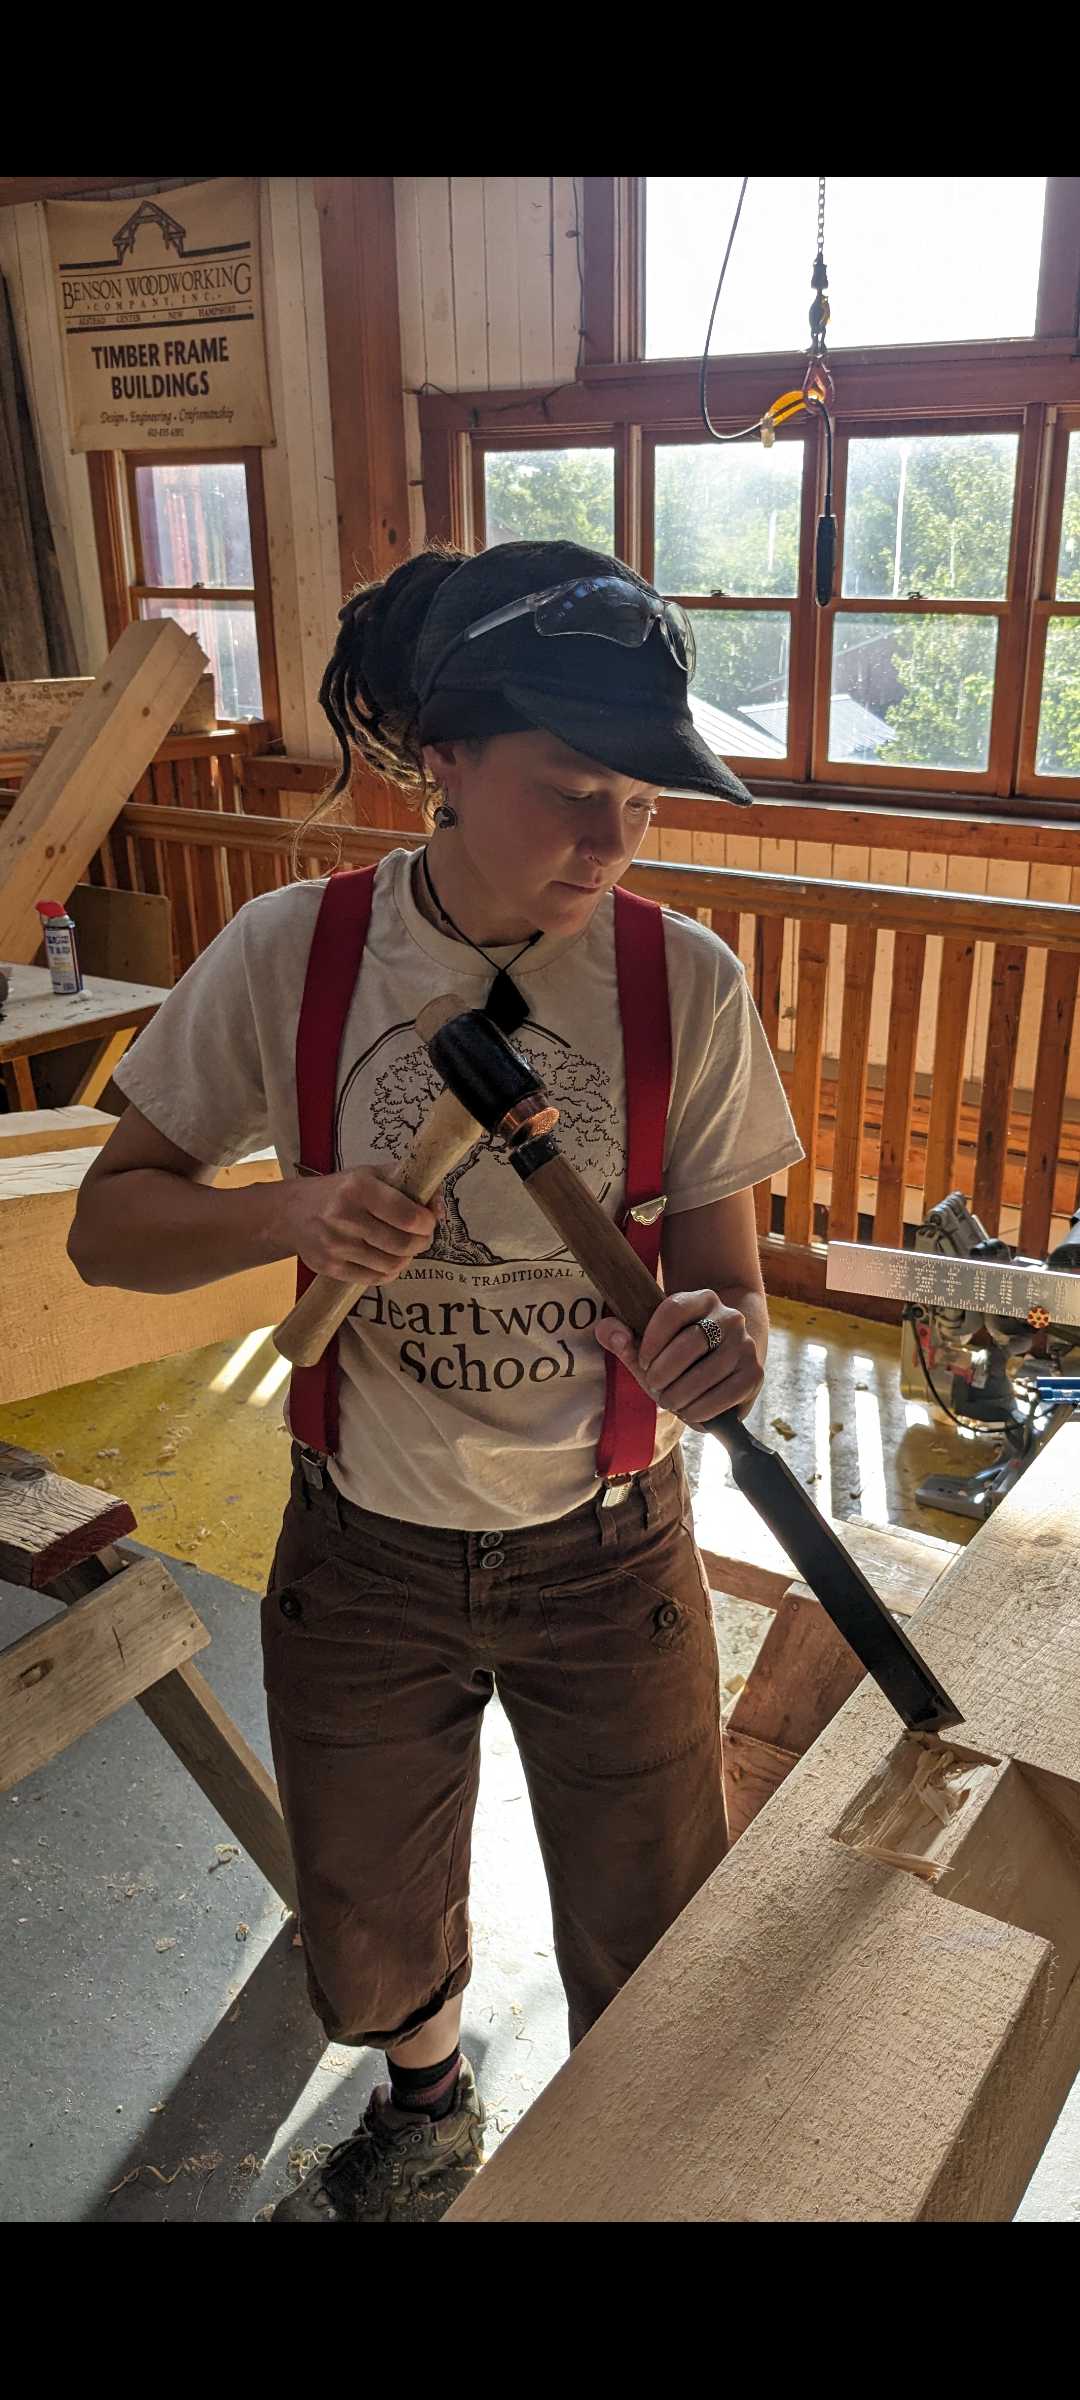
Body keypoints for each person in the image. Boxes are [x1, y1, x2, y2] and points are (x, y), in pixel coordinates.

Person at [69, 540, 801, 2222]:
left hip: (607, 1549)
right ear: (446, 760)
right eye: (568, 790)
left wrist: (720, 1342)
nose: (613, 843)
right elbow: (109, 1232)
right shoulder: (288, 954)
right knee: (372, 1901)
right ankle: (428, 2104)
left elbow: (729, 1281)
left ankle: (624, 2166)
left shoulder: (680, 981)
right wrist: (282, 1207)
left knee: (652, 1905)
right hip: (361, 1547)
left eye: (643, 801)